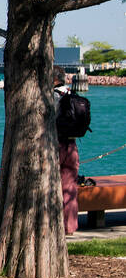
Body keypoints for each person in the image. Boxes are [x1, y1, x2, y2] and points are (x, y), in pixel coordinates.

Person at [54, 65, 80, 234]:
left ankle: (52, 225)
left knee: (49, 186)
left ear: (53, 79)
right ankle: (69, 226)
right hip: (72, 146)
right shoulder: (72, 94)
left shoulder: (53, 95)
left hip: (55, 144)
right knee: (70, 187)